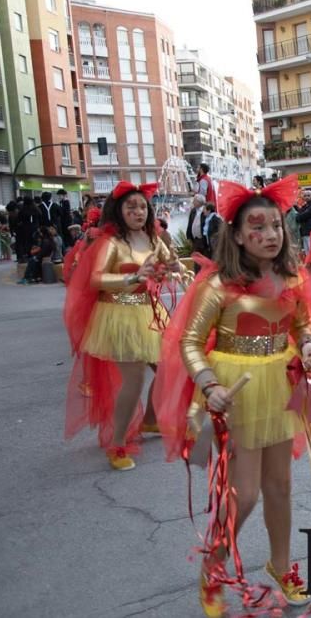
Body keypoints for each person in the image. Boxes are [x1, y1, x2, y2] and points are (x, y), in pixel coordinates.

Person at [154, 176, 311, 615]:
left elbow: (301, 324)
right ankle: (212, 568)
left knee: (281, 486)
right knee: (245, 493)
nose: (270, 235)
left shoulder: (290, 276)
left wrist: (307, 345)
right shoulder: (219, 285)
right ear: (236, 234)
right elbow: (190, 343)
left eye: (276, 226)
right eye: (258, 228)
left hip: (280, 382)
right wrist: (209, 384)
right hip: (238, 389)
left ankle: (279, 565)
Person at [63, 182, 181, 470]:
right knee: (134, 380)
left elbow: (169, 263)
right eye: (131, 207)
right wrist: (133, 278)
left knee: (172, 368)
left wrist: (173, 267)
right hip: (118, 315)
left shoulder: (154, 238)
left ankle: (151, 421)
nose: (138, 211)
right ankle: (117, 444)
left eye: (142, 206)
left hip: (150, 313)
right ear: (119, 211)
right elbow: (95, 279)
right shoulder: (111, 242)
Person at [294, 189, 311, 254]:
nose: (306, 197)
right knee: (307, 253)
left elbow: (300, 217)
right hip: (305, 232)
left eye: (308, 195)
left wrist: (299, 215)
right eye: (305, 195)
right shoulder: (305, 206)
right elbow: (298, 216)